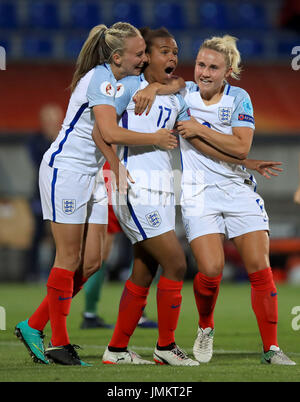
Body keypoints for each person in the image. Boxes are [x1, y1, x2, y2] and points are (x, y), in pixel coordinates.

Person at [14, 22, 178, 366]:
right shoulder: (99, 80)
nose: (145, 58)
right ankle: (59, 344)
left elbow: (168, 85)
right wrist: (154, 138)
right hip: (66, 171)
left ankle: (33, 324)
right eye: (139, 54)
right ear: (117, 57)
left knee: (91, 262)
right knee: (68, 258)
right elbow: (107, 130)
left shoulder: (127, 78)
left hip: (91, 176)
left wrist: (158, 90)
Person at [176, 35, 296, 365]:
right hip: (199, 193)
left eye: (213, 67)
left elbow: (241, 147)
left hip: (239, 191)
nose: (204, 72)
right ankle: (205, 326)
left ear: (227, 71)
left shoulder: (239, 98)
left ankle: (271, 348)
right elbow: (210, 146)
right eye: (201, 64)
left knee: (260, 267)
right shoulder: (181, 92)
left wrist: (197, 128)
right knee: (211, 269)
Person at [102, 27, 199, 366]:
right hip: (135, 188)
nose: (172, 56)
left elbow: (185, 86)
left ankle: (116, 351)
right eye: (163, 51)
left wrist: (161, 86)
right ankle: (166, 346)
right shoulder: (129, 87)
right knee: (176, 262)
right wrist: (114, 164)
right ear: (144, 56)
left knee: (144, 270)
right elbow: (101, 128)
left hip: (160, 188)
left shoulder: (172, 94)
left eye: (175, 51)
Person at [80, 161, 158, 329]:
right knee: (102, 254)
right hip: (117, 177)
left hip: (124, 176)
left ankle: (93, 313)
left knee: (140, 245)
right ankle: (91, 313)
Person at [26, 103, 63, 282]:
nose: (49, 122)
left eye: (52, 118)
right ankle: (32, 273)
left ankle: (55, 272)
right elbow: (37, 161)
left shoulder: (64, 137)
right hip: (39, 194)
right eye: (46, 119)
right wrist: (50, 141)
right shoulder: (36, 139)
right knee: (38, 234)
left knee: (60, 235)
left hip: (60, 193)